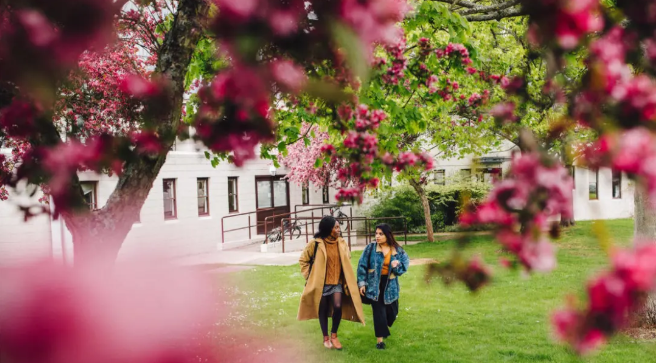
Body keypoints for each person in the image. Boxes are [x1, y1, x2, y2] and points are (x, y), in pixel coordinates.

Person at [298, 216, 365, 350]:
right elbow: (303, 260)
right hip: (321, 285)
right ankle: (325, 338)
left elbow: (347, 258)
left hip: (337, 283)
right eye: (336, 227)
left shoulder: (341, 243)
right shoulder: (315, 243)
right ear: (328, 229)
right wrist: (310, 277)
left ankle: (334, 335)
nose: (338, 230)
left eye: (338, 227)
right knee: (322, 309)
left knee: (338, 306)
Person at [357, 223, 410, 350]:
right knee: (378, 312)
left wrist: (396, 265)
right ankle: (380, 341)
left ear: (387, 235)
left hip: (390, 285)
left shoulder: (397, 250)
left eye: (381, 234)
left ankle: (384, 326)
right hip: (374, 285)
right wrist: (362, 283)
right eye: (376, 233)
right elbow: (362, 266)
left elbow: (404, 267)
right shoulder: (370, 248)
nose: (377, 236)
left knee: (392, 313)